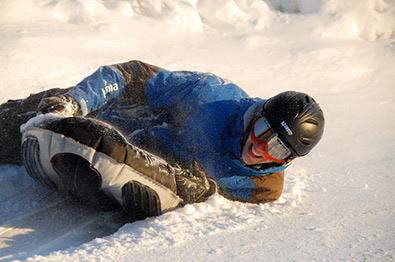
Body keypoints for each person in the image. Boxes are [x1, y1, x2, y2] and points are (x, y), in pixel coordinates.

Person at [0, 60, 325, 220]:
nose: (260, 146)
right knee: (16, 122)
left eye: (277, 147)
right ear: (255, 117)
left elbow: (219, 209)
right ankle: (59, 132)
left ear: (287, 161)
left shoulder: (263, 189)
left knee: (170, 186)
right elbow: (130, 74)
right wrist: (74, 102)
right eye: (263, 131)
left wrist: (209, 193)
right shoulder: (210, 96)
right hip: (112, 113)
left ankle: (94, 168)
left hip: (145, 160)